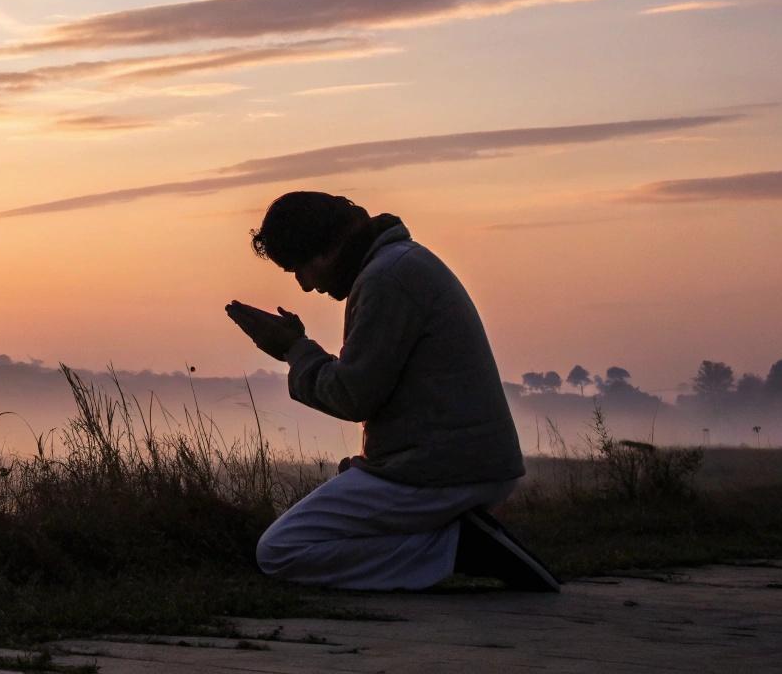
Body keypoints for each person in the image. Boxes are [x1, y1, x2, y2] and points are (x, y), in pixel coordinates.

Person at [225, 191, 559, 592]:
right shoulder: (399, 264)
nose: (305, 286)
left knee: (281, 550)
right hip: (465, 466)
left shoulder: (387, 278)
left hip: (440, 473)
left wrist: (292, 350)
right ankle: (457, 540)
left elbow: (353, 396)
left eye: (300, 269)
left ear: (324, 250)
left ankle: (458, 549)